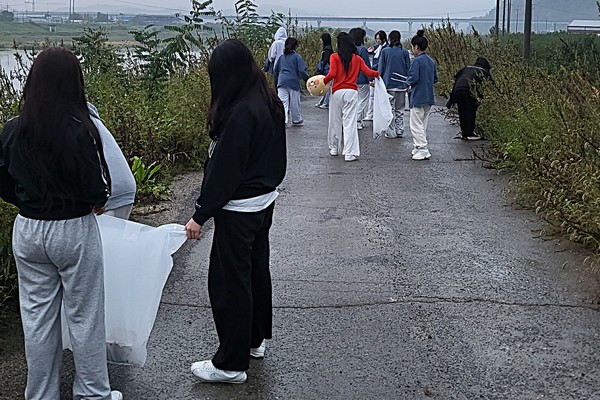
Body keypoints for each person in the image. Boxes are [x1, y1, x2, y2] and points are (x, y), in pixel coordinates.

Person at [0, 47, 123, 400]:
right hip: (72, 230)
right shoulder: (80, 129)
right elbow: (96, 188)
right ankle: (92, 392)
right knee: (85, 316)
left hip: (28, 229)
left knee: (37, 319)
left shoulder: (12, 130)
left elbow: (2, 179)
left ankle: (40, 394)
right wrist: (96, 202)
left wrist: (23, 201)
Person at [184, 39, 287, 384]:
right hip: (263, 201)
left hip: (239, 209)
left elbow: (225, 172)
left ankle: (230, 363)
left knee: (231, 283)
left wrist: (200, 214)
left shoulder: (241, 112)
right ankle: (254, 341)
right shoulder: (269, 102)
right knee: (256, 272)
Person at [323, 32, 379, 162]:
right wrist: (378, 74)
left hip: (337, 92)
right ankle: (349, 153)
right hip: (352, 92)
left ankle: (334, 148)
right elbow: (368, 72)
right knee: (349, 123)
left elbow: (332, 73)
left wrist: (322, 82)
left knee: (335, 121)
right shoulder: (357, 59)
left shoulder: (334, 57)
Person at [88, 102, 136, 219]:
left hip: (110, 192)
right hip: (123, 186)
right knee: (115, 235)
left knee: (105, 236)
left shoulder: (75, 122)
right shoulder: (89, 118)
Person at [406, 30, 438, 161]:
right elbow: (435, 78)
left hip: (418, 96)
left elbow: (413, 78)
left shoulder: (416, 61)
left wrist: (406, 83)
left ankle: (423, 148)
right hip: (428, 96)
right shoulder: (431, 61)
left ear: (416, 47)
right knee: (422, 124)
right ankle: (417, 147)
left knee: (415, 124)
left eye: (412, 47)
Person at [447, 57, 492, 140]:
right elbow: (491, 86)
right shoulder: (484, 71)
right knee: (470, 111)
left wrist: (451, 98)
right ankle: (469, 133)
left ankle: (464, 133)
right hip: (468, 91)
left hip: (457, 90)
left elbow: (456, 77)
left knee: (462, 111)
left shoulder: (467, 68)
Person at [378, 30, 411, 139]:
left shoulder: (385, 51)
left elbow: (381, 68)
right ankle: (400, 130)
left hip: (388, 84)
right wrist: (408, 83)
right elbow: (408, 69)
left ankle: (391, 132)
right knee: (400, 109)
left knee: (390, 109)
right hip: (402, 85)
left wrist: (378, 80)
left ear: (389, 39)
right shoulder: (405, 52)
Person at [273, 37, 309, 127]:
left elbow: (276, 70)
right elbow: (302, 71)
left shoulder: (282, 57)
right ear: (295, 46)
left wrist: (276, 81)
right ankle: (296, 119)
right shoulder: (297, 57)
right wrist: (306, 79)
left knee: (282, 102)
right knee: (294, 101)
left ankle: (283, 120)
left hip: (281, 81)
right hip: (293, 82)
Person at [350, 28, 372, 130]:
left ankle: (358, 120)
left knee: (356, 101)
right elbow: (366, 65)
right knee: (363, 101)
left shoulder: (350, 49)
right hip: (362, 78)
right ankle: (357, 120)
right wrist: (371, 78)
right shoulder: (362, 49)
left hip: (352, 79)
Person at [365, 30, 388, 121]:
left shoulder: (385, 49)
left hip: (381, 74)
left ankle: (379, 114)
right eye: (376, 39)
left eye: (379, 39)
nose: (377, 41)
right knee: (372, 96)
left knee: (381, 96)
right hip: (374, 73)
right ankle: (370, 114)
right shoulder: (376, 48)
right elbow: (370, 52)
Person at [315, 32, 334, 109]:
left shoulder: (326, 49)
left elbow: (325, 59)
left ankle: (325, 103)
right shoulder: (329, 48)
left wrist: (321, 67)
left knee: (327, 86)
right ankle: (323, 102)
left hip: (327, 69)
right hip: (329, 68)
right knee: (327, 86)